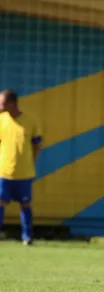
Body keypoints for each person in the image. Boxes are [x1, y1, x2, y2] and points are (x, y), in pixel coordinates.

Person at [0, 89, 42, 245]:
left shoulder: (30, 121)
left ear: (12, 103)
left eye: (2, 103)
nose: (0, 106)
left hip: (24, 173)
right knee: (1, 202)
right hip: (4, 172)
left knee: (25, 204)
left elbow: (38, 145)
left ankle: (27, 237)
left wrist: (30, 162)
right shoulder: (1, 120)